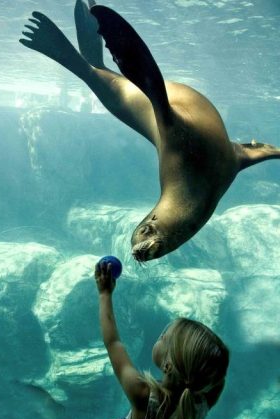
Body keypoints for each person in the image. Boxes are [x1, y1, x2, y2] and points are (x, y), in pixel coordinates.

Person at [20, 2, 280, 262]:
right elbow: (226, 158)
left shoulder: (180, 157)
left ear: (148, 224)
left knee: (95, 75)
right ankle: (90, 62)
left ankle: (76, 61)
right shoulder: (220, 172)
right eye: (146, 237)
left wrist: (125, 49)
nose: (145, 247)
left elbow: (158, 95)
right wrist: (258, 153)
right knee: (98, 71)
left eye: (144, 232)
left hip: (133, 104)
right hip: (190, 131)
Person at [93, 260, 229, 419]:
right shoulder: (203, 401)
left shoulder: (144, 398)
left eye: (163, 337)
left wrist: (104, 294)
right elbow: (218, 376)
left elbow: (113, 343)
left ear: (168, 365)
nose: (160, 336)